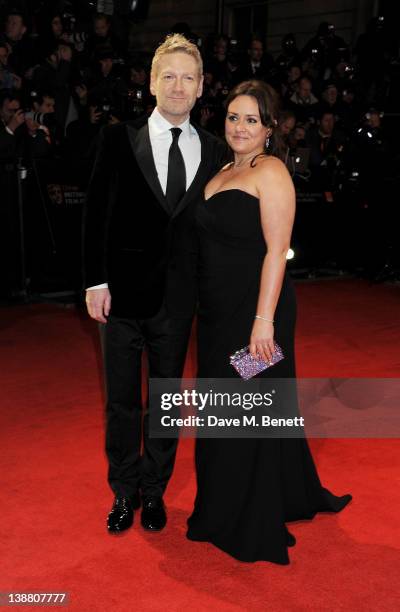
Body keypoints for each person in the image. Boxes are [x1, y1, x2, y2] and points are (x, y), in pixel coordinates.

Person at [186, 80, 352, 564]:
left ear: (269, 128)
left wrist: (263, 322)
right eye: (234, 117)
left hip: (259, 311)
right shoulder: (221, 170)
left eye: (251, 120)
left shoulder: (272, 170)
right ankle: (241, 500)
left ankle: (247, 517)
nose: (240, 127)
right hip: (217, 313)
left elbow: (277, 251)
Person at [83, 34, 226, 535]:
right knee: (122, 401)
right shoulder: (117, 137)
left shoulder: (214, 151)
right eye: (169, 76)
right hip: (121, 296)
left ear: (202, 86)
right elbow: (96, 214)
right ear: (151, 83)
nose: (179, 86)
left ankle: (153, 491)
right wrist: (95, 281)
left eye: (189, 78)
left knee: (166, 401)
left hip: (177, 300)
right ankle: (123, 492)